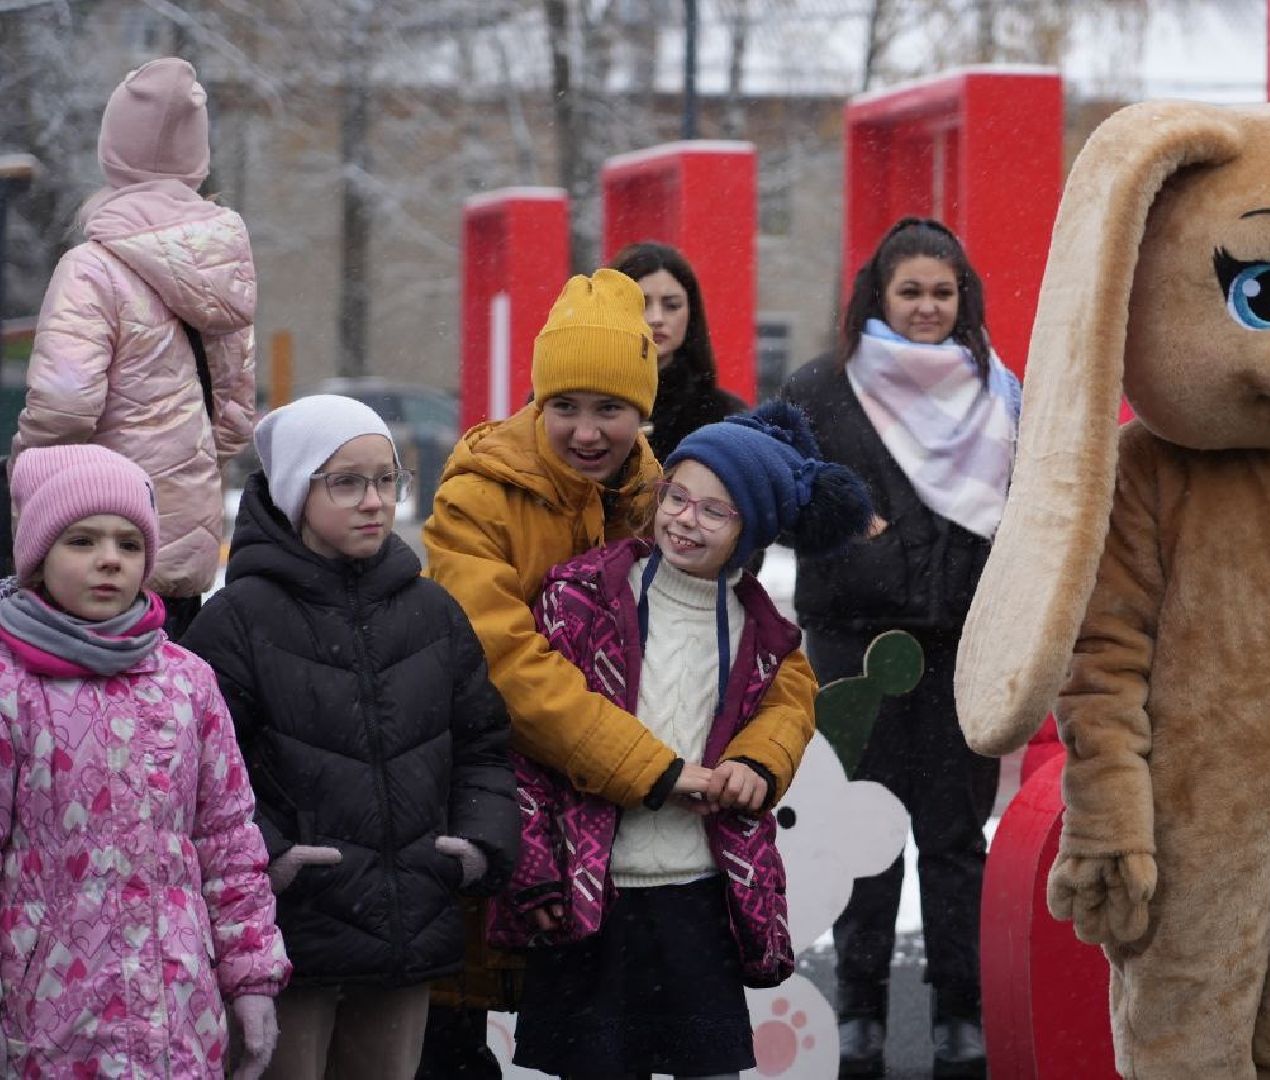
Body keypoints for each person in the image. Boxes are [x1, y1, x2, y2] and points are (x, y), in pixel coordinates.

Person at [417, 268, 821, 1077]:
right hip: (494, 794)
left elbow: (774, 665)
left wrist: (758, 757)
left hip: (619, 847)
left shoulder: (655, 497)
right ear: (537, 401)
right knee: (457, 1028)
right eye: (564, 405)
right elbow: (504, 663)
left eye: (610, 407)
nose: (586, 430)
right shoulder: (477, 499)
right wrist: (648, 768)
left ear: (644, 410)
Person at [495, 402, 868, 1079]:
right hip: (593, 891)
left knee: (708, 1065)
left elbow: (786, 710)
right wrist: (534, 870)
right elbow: (532, 747)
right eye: (677, 496)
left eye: (714, 511)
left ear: (751, 530)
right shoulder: (583, 598)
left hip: (699, 896)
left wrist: (756, 764)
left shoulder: (763, 634)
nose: (686, 519)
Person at [183, 396, 518, 1079]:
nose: (374, 501)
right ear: (294, 491)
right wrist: (275, 860)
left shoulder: (432, 611)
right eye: (346, 482)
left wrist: (476, 844)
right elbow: (204, 777)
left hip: (407, 925)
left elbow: (482, 746)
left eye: (387, 479)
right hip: (288, 934)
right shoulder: (236, 622)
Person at [780, 217, 1019, 1079]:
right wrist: (843, 525)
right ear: (877, 296)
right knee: (865, 834)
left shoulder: (1000, 391)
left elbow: (1032, 507)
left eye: (941, 293)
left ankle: (960, 1015)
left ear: (964, 299)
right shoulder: (819, 389)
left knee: (954, 839)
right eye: (909, 291)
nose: (926, 307)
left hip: (964, 647)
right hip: (854, 647)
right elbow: (778, 497)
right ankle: (860, 1015)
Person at [0, 444, 288, 1077]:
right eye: (82, 541)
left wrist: (251, 977)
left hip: (177, 1012)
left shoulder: (187, 681)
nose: (109, 559)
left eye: (129, 544)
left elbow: (228, 841)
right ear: (38, 557)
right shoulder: (10, 685)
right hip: (46, 1019)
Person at [13, 58, 258, 640]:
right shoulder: (224, 269)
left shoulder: (92, 267)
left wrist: (25, 479)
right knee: (168, 687)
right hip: (182, 552)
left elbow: (64, 406)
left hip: (93, 547)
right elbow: (234, 418)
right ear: (197, 159)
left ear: (112, 151)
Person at [610, 241, 746, 462]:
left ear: (691, 313)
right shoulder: (574, 400)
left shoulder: (723, 416)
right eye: (640, 304)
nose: (656, 318)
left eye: (671, 305)